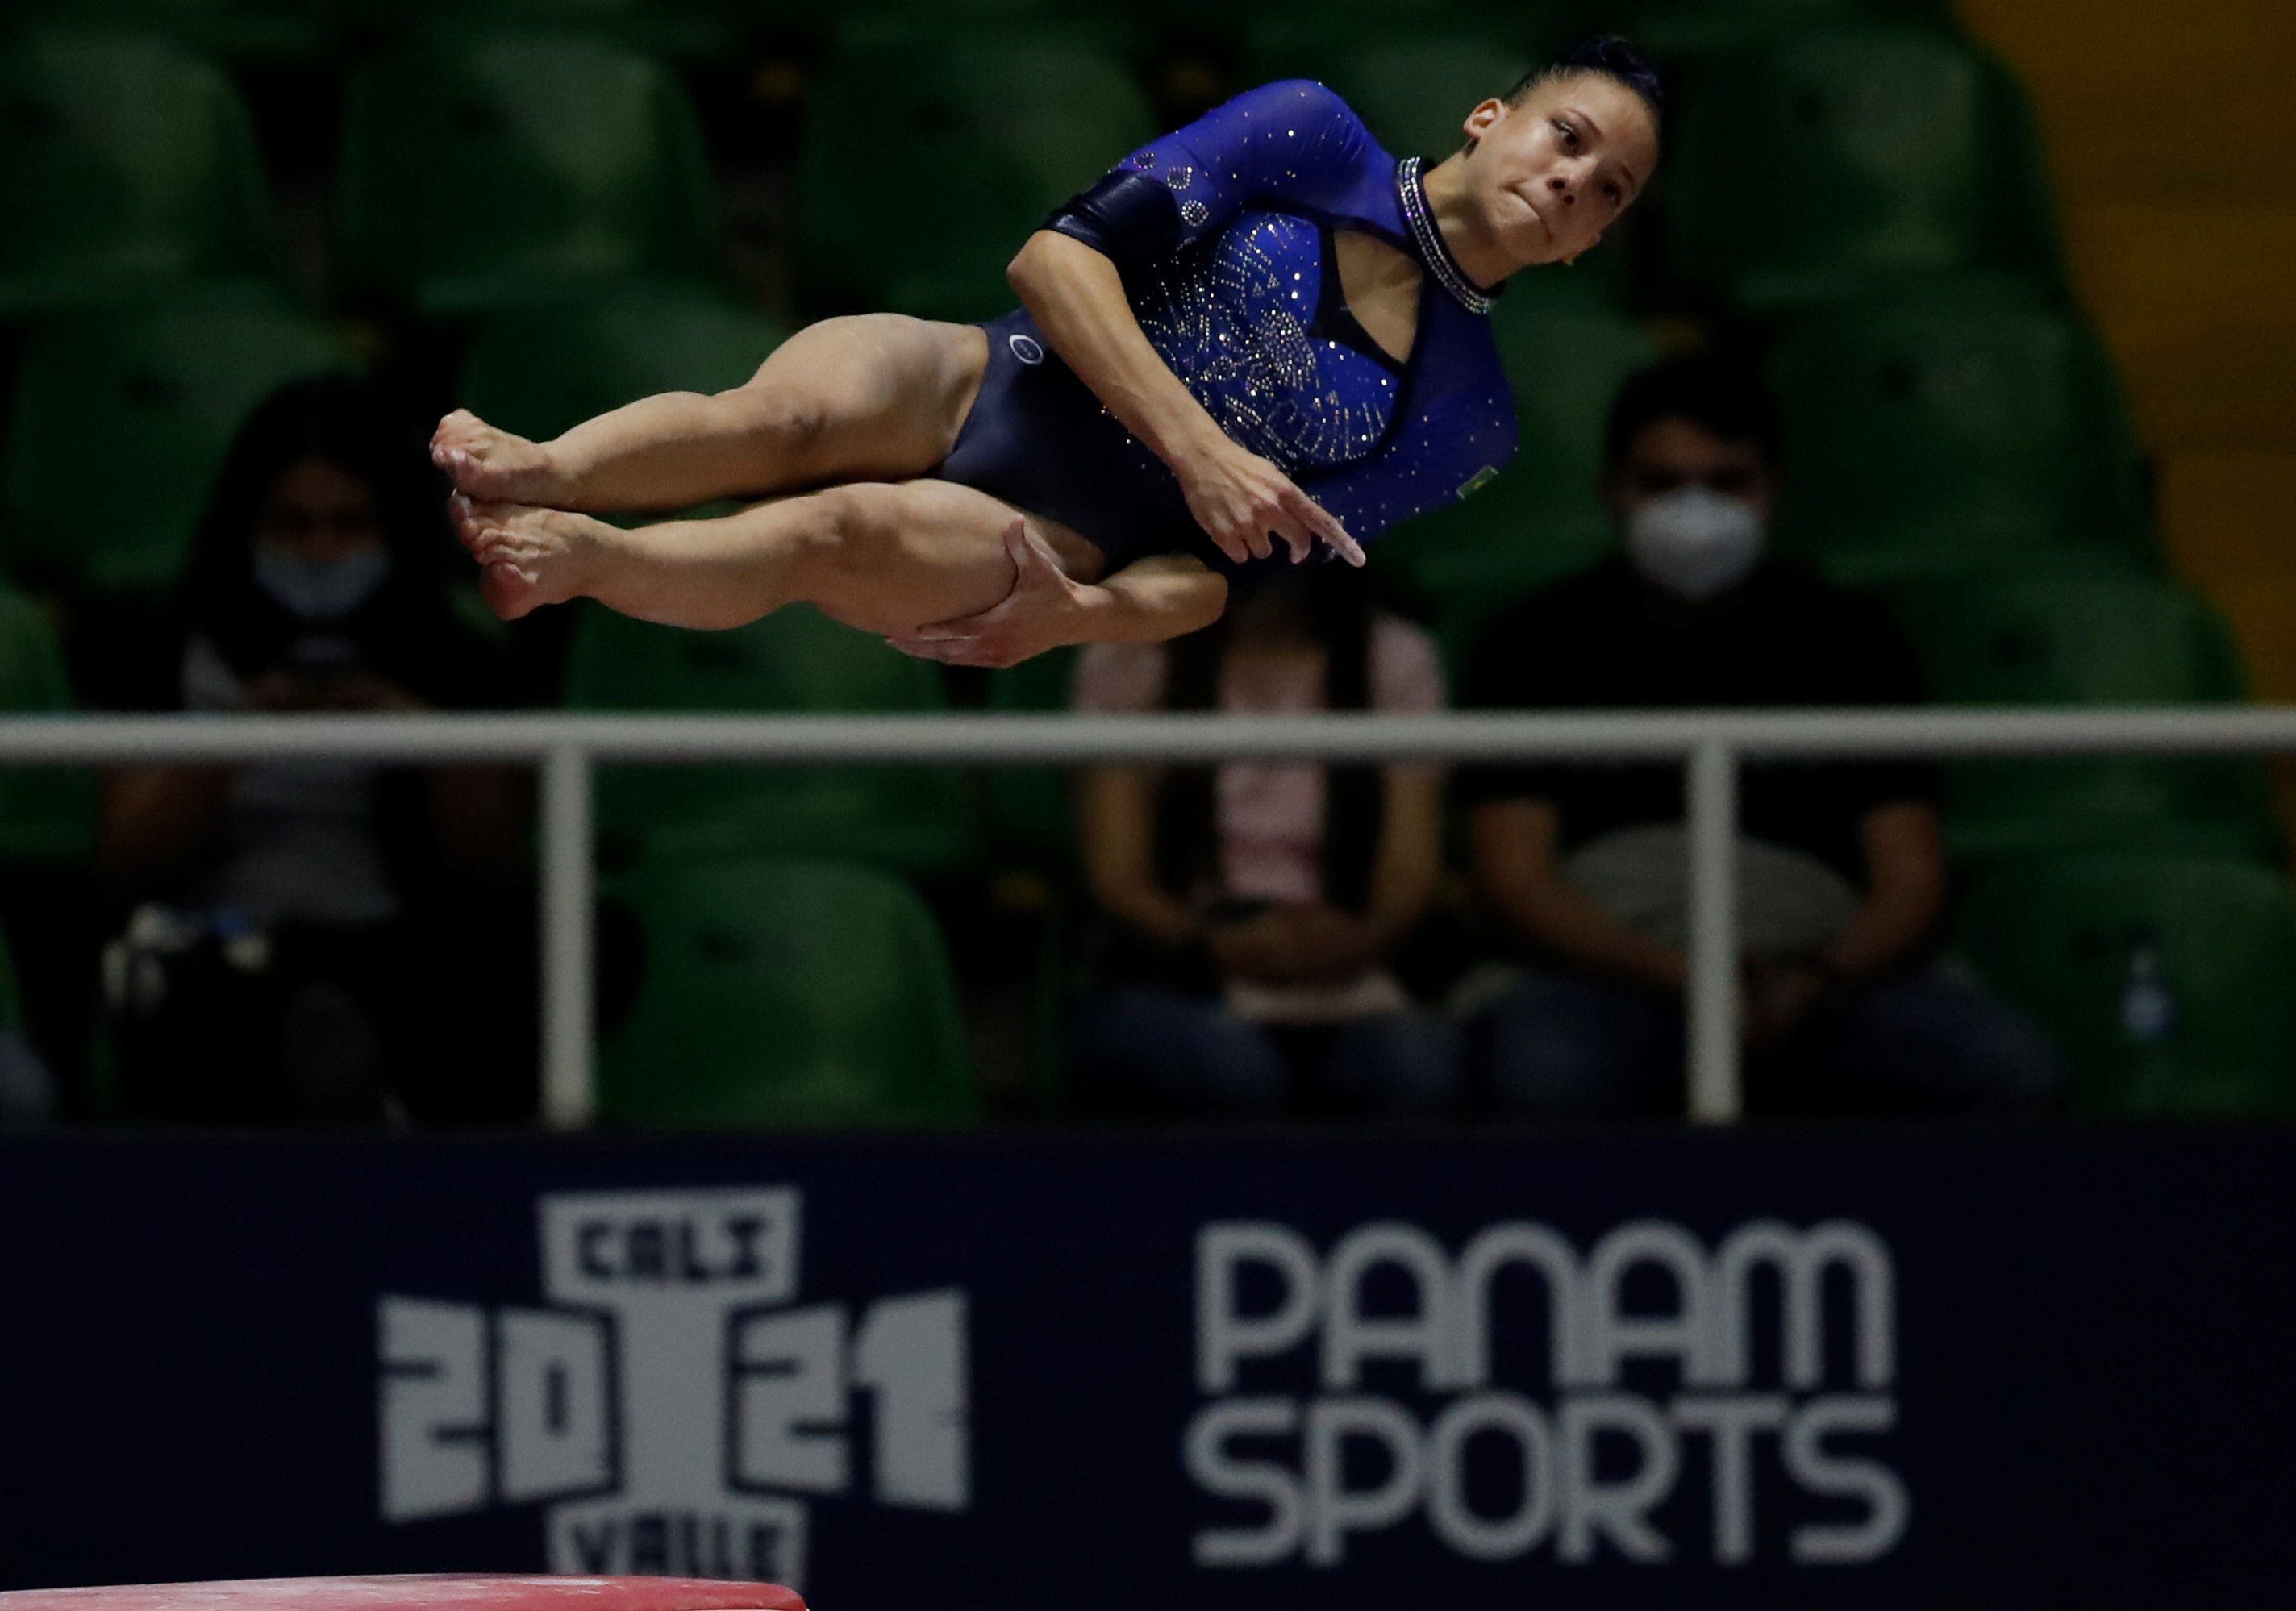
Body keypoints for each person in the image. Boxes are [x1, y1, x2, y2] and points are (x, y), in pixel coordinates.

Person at [429, 40, 1663, 668]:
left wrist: (1081, 617)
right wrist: (1202, 449)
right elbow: (1052, 262)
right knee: (789, 415)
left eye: (1604, 191)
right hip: (994, 371)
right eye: (1564, 137)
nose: (1568, 182)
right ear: (1488, 116)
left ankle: (580, 559)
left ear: (1588, 245)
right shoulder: (1305, 134)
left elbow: (1223, 586)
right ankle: (546, 465)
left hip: (1064, 535)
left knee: (834, 531)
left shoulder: (1466, 421)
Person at [1460, 355, 2065, 1116]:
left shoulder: (1852, 640)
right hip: (1605, 971)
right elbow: (1515, 878)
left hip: (1816, 971)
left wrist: (1814, 978)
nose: (1694, 511)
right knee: (1540, 1071)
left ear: (1770, 491)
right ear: (1612, 491)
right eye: (1662, 484)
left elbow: (1909, 880)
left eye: (1726, 484)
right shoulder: (1534, 642)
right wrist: (1679, 974)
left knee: (2007, 1066)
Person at [98, 376, 536, 1124]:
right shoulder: (171, 644)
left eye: (348, 525)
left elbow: (492, 870)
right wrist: (243, 736)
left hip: (404, 958)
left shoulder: (456, 652)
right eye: (292, 525)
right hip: (223, 956)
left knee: (479, 988)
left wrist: (420, 736)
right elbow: (127, 863)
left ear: (392, 526)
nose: (320, 551)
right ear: (247, 524)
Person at [1068, 568, 1458, 1115]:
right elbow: (1118, 876)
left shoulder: (1395, 656)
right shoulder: (1128, 656)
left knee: (1415, 1063)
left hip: (1348, 958)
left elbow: (1408, 870)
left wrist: (1358, 939)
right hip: (1181, 967)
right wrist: (1213, 945)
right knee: (1230, 1071)